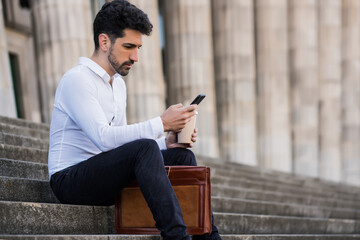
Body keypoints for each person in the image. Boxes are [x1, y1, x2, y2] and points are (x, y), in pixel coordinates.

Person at [48, 1, 221, 240]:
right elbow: (104, 139)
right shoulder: (77, 80)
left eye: (138, 47)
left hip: (106, 174)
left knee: (182, 156)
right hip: (69, 180)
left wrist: (166, 142)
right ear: (104, 41)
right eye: (129, 46)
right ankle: (177, 237)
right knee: (145, 147)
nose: (135, 57)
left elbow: (122, 142)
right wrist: (161, 123)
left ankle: (209, 237)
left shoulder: (117, 84)